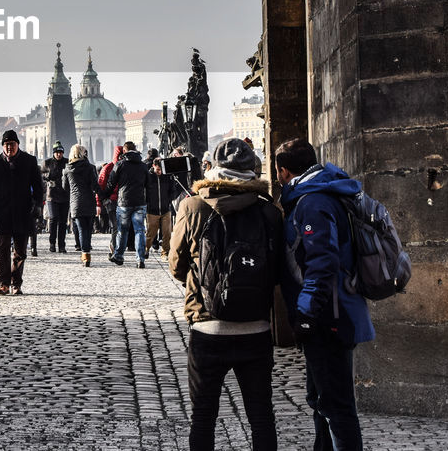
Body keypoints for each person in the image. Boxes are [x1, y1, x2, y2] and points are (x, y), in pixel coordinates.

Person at [171, 138, 284, 451]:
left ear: (214, 169)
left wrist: (199, 282)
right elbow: (278, 270)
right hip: (256, 328)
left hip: (207, 328)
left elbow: (176, 264)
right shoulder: (269, 212)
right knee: (261, 416)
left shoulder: (193, 206)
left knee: (203, 417)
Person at [276, 138, 373, 451]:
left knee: (336, 405)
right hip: (329, 311)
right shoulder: (316, 195)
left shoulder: (313, 202)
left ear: (282, 171)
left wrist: (306, 312)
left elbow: (323, 262)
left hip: (329, 315)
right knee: (321, 399)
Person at [0, 130, 42, 296]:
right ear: (3, 146)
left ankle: (17, 282)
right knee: (3, 249)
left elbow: (38, 187)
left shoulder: (29, 161)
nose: (9, 147)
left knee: (20, 251)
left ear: (18, 145)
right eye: (7, 144)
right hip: (3, 212)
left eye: (12, 144)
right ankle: (4, 283)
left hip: (24, 212)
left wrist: (38, 206)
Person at [107, 141, 149, 268]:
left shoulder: (120, 164)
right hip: (140, 202)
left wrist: (105, 195)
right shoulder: (143, 165)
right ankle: (140, 259)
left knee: (122, 230)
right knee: (139, 230)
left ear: (124, 151)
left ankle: (119, 256)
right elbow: (149, 184)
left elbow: (111, 183)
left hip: (124, 202)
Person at [62, 144, 98, 267]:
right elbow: (95, 185)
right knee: (88, 229)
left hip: (76, 203)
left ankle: (85, 255)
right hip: (89, 201)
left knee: (82, 229)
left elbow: (65, 187)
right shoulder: (89, 167)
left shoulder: (67, 169)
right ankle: (87, 251)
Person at [145, 156, 181, 260]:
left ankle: (165, 253)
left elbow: (173, 190)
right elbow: (145, 192)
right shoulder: (148, 176)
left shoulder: (167, 175)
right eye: (157, 170)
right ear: (153, 166)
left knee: (167, 233)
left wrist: (169, 199)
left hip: (166, 209)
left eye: (161, 170)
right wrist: (147, 203)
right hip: (152, 209)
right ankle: (145, 249)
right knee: (150, 233)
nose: (159, 172)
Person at [43, 143, 70, 253]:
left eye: (60, 152)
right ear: (53, 153)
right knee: (53, 219)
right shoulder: (47, 163)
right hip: (52, 196)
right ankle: (52, 243)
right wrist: (48, 178)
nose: (59, 154)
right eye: (57, 152)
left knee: (63, 222)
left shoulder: (67, 162)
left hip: (64, 195)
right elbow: (40, 175)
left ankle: (62, 245)